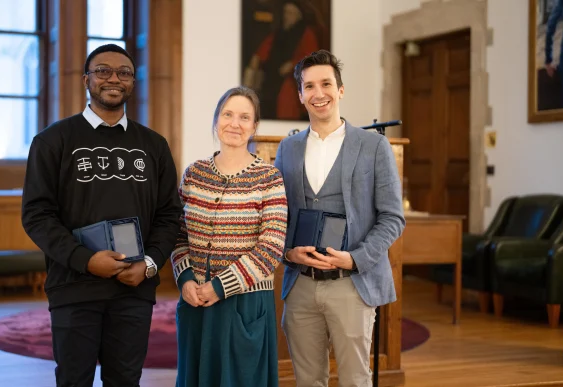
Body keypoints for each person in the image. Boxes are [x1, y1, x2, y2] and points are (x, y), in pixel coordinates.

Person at [21, 44, 181, 387]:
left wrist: (150, 264)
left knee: (125, 380)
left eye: (124, 72)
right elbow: (37, 215)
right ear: (86, 80)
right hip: (74, 286)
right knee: (73, 380)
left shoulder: (154, 145)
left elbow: (169, 215)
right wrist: (85, 260)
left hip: (134, 288)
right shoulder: (53, 140)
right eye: (103, 71)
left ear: (132, 83)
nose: (113, 78)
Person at [274, 49, 405, 387]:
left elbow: (392, 217)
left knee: (355, 381)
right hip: (300, 285)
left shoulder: (374, 147)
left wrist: (355, 259)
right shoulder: (287, 149)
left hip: (353, 286)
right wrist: (288, 252)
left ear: (341, 89)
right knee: (307, 381)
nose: (319, 93)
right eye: (309, 86)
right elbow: (276, 215)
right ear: (301, 95)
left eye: (327, 84)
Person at [171, 86, 288, 387]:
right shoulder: (194, 174)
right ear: (216, 120)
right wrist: (185, 281)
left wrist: (220, 287)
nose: (234, 124)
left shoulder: (269, 178)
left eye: (244, 117)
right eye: (228, 114)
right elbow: (176, 234)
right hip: (195, 301)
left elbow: (271, 248)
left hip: (244, 303)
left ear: (254, 127)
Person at [243, 0, 319, 120]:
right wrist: (255, 61)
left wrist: (292, 64)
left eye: (290, 13)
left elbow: (311, 58)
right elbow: (262, 51)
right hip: (272, 77)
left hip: (293, 80)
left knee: (286, 102)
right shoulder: (279, 32)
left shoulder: (306, 33)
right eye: (285, 12)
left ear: (298, 15)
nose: (286, 16)